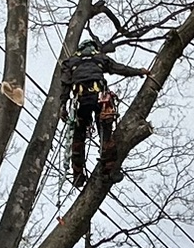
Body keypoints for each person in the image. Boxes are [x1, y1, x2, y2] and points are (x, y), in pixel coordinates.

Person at [59, 36, 148, 186]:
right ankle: (109, 169)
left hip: (80, 101)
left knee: (78, 138)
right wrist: (139, 71)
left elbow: (65, 85)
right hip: (99, 98)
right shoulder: (100, 58)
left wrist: (62, 105)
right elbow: (120, 68)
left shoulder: (70, 62)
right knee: (106, 133)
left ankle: (78, 174)